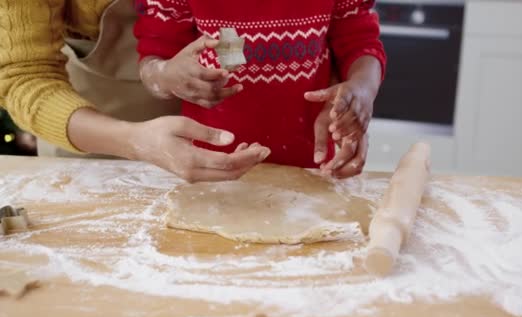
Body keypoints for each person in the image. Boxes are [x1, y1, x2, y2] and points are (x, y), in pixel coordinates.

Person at [0, 0, 382, 182]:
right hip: (102, 143)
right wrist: (136, 133)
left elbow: (350, 35)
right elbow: (23, 74)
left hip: (292, 152)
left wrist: (352, 103)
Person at [134, 0, 386, 177]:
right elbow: (154, 58)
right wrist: (168, 76)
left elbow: (359, 41)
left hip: (312, 165)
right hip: (211, 166)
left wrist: (362, 89)